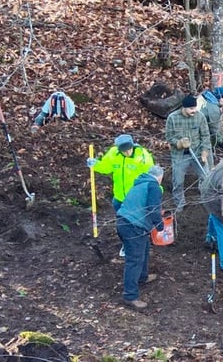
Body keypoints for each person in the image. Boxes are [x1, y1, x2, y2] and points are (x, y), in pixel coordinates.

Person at [116, 166, 166, 309]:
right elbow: (153, 208)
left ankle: (142, 277)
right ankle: (130, 296)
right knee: (134, 260)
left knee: (144, 250)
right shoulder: (153, 186)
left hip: (123, 221)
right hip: (133, 226)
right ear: (159, 177)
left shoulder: (139, 184)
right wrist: (160, 227)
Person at [165, 94, 211, 212]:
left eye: (195, 108)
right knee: (178, 182)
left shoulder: (200, 117)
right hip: (180, 155)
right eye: (191, 108)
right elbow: (169, 137)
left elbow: (205, 136)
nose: (194, 111)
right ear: (183, 108)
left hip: (197, 152)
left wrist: (204, 152)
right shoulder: (172, 118)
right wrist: (179, 143)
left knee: (206, 177)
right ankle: (180, 205)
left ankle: (207, 200)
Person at [87, 134, 154, 213]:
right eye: (124, 151)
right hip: (119, 197)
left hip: (136, 198)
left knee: (134, 223)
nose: (128, 152)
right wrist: (95, 164)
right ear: (119, 149)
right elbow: (105, 167)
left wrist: (153, 194)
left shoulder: (143, 156)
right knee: (121, 222)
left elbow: (151, 176)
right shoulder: (113, 154)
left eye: (129, 149)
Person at [199, 86, 223, 156]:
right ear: (220, 98)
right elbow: (215, 128)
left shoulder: (205, 96)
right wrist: (221, 141)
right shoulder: (214, 110)